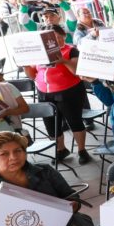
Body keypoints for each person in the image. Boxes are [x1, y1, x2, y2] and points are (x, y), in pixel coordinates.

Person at [21, 24, 92, 164]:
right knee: (51, 124)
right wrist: (25, 65)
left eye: (57, 37)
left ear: (63, 35)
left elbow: (76, 71)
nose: (54, 41)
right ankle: (61, 149)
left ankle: (82, 150)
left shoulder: (71, 50)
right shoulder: (38, 53)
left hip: (69, 91)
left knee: (74, 121)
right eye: (50, 38)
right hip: (44, 92)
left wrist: (63, 61)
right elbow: (32, 75)